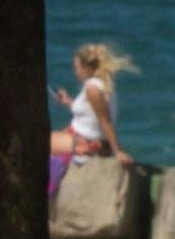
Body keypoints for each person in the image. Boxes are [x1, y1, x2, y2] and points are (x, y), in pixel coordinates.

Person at [52, 42, 133, 197]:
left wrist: (118, 152)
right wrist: (68, 101)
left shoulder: (92, 89)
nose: (76, 72)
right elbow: (90, 114)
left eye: (77, 68)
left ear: (87, 68)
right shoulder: (101, 83)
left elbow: (105, 121)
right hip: (82, 137)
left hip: (87, 143)